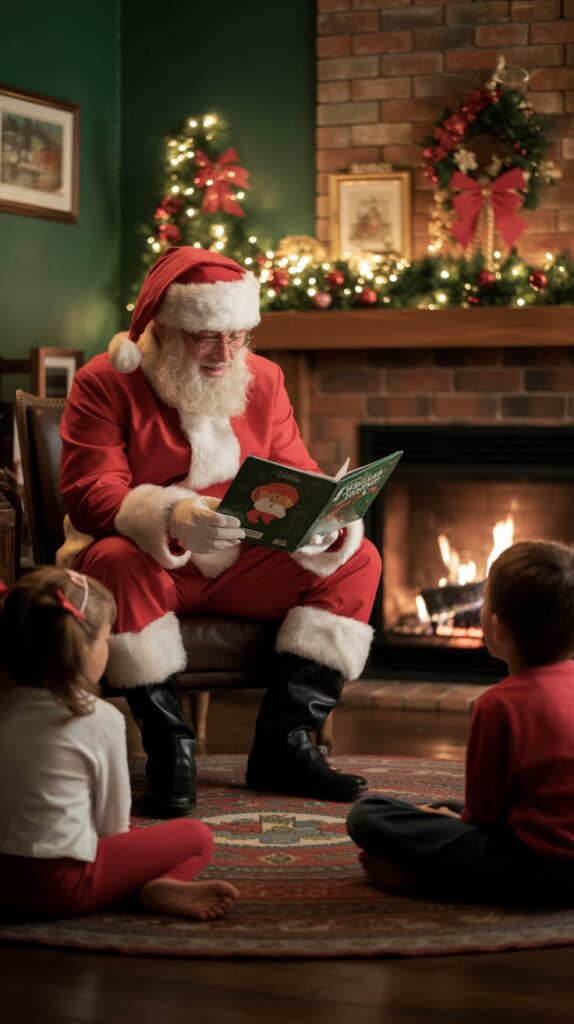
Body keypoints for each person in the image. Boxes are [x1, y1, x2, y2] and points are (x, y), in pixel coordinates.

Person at [58, 246, 382, 817]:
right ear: (164, 325)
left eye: (237, 335)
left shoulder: (265, 378)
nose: (224, 352)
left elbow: (297, 472)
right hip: (151, 563)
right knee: (111, 560)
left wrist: (321, 524)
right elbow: (90, 493)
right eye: (206, 336)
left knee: (358, 559)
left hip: (241, 560)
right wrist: (174, 515)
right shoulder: (105, 381)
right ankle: (170, 749)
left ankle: (287, 743)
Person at [0, 567, 239, 921]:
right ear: (82, 649)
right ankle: (155, 885)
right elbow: (111, 825)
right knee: (197, 835)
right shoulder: (101, 719)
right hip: (61, 888)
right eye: (106, 638)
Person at [347, 540, 574, 906]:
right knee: (443, 805)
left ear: (497, 627)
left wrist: (442, 822)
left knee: (367, 814)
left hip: (534, 869)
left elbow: (482, 818)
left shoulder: (498, 706)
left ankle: (424, 878)